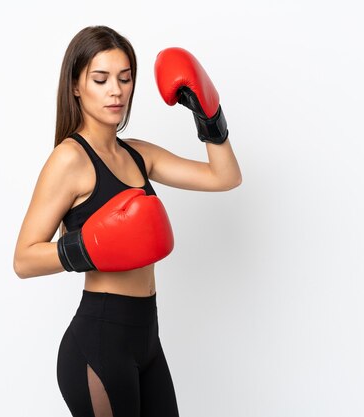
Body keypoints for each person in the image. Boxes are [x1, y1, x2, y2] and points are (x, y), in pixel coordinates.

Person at [13, 25, 241, 417]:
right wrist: (88, 246)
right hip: (100, 339)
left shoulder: (138, 155)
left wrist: (209, 115)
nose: (116, 91)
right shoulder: (69, 160)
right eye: (100, 79)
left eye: (125, 78)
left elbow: (224, 177)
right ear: (76, 87)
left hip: (147, 338)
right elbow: (24, 260)